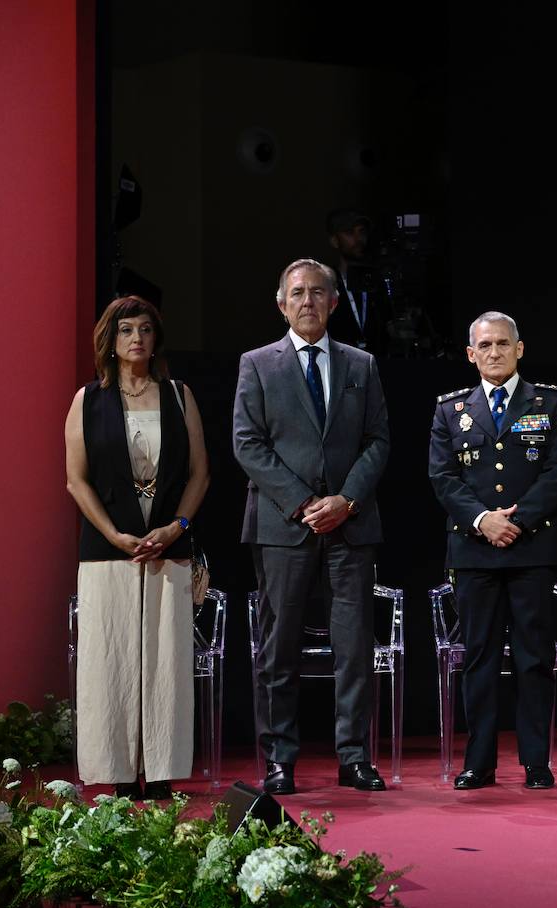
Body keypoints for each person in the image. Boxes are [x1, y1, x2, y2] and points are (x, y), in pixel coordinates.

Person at [233, 257, 392, 794]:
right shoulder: (257, 364)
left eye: (317, 292)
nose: (307, 301)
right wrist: (304, 503)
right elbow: (247, 444)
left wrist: (345, 500)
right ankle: (279, 760)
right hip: (284, 526)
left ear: (334, 301)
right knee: (279, 649)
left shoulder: (361, 365)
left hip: (351, 524)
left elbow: (377, 442)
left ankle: (355, 758)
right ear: (281, 303)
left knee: (354, 649)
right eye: (297, 293)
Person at [63, 296, 209, 800]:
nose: (137, 338)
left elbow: (199, 473)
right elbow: (76, 481)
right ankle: (120, 773)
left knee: (166, 659)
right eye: (127, 329)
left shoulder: (178, 394)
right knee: (112, 659)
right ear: (111, 339)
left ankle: (163, 770)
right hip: (109, 549)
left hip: (168, 545)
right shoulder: (88, 400)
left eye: (146, 329)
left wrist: (176, 526)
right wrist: (111, 533)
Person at [429, 311, 557, 790]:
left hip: (531, 547)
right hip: (474, 551)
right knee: (480, 658)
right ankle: (480, 761)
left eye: (502, 344)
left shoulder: (551, 402)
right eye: (485, 345)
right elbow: (443, 476)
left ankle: (536, 761)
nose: (494, 353)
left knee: (535, 657)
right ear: (471, 354)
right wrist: (482, 520)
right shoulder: (449, 409)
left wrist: (517, 520)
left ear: (519, 349)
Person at [326, 208, 390, 357]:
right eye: (349, 233)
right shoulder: (326, 283)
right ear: (335, 241)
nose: (358, 239)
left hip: (376, 367)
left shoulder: (376, 280)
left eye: (362, 232)